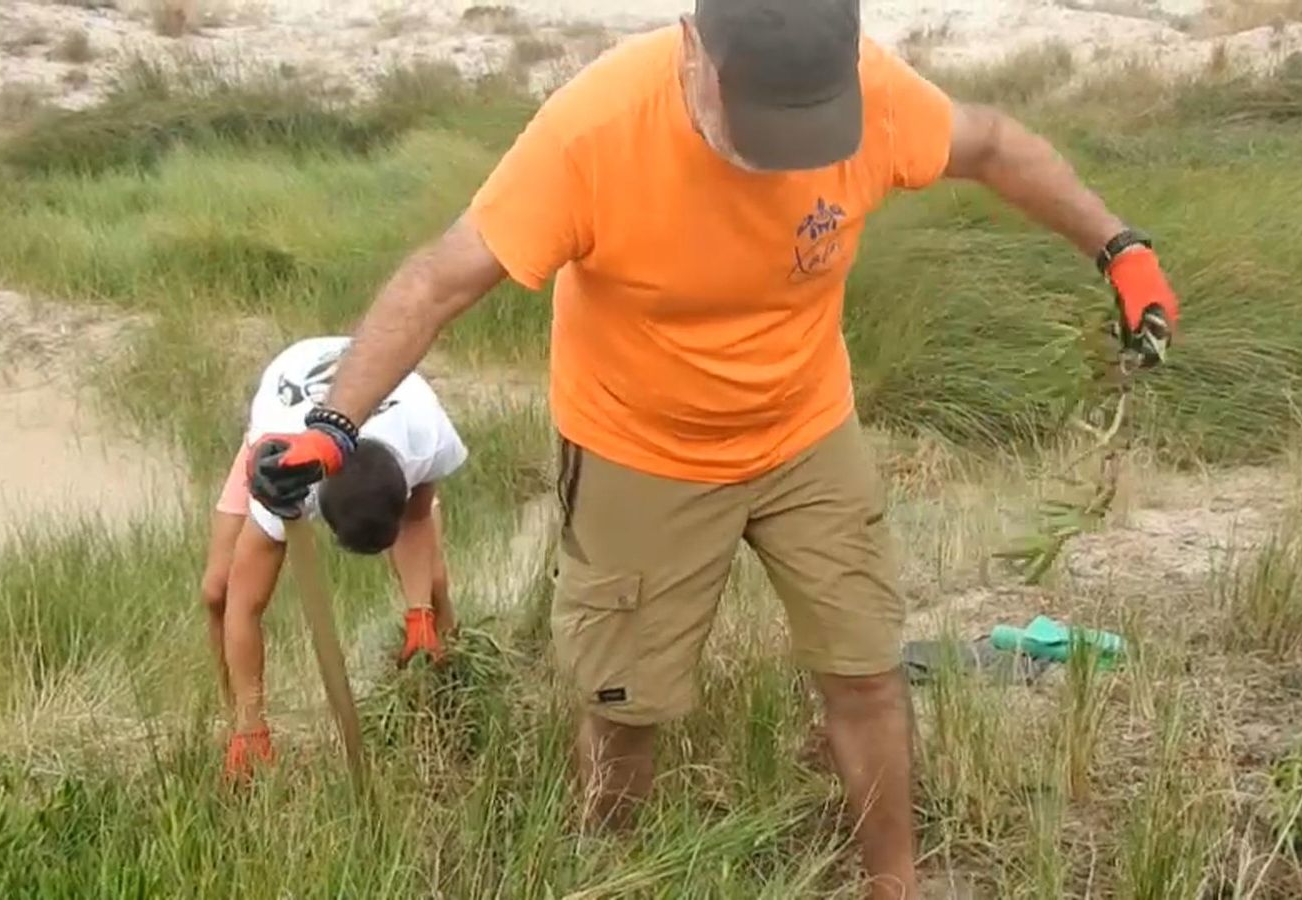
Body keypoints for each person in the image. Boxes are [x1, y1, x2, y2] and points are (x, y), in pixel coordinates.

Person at [244, 0, 1180, 895]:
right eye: (762, 122)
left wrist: (1117, 246)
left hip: (807, 428)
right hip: (637, 451)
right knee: (625, 712)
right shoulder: (594, 132)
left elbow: (992, 144)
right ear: (693, 50)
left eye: (807, 125)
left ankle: (894, 888)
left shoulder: (873, 96)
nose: (784, 156)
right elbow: (441, 278)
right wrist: (335, 423)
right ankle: (612, 874)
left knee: (866, 672)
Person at [200, 335, 469, 781]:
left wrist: (419, 612)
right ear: (317, 509)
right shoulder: (285, 480)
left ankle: (447, 714)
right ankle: (243, 727)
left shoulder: (425, 437)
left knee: (435, 584)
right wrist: (253, 728)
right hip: (291, 399)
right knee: (218, 591)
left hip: (380, 381)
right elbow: (244, 607)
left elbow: (417, 522)